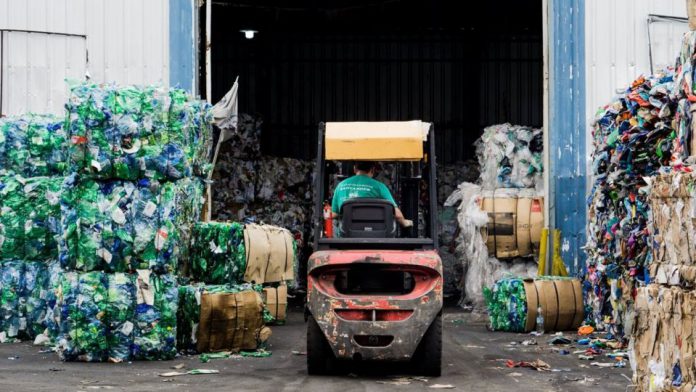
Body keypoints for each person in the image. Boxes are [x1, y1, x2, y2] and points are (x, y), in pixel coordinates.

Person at [331, 161, 413, 228]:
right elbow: (397, 214)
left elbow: (334, 214)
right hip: (376, 234)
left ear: (355, 169)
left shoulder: (341, 186)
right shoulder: (380, 187)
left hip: (348, 234)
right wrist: (404, 222)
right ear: (372, 170)